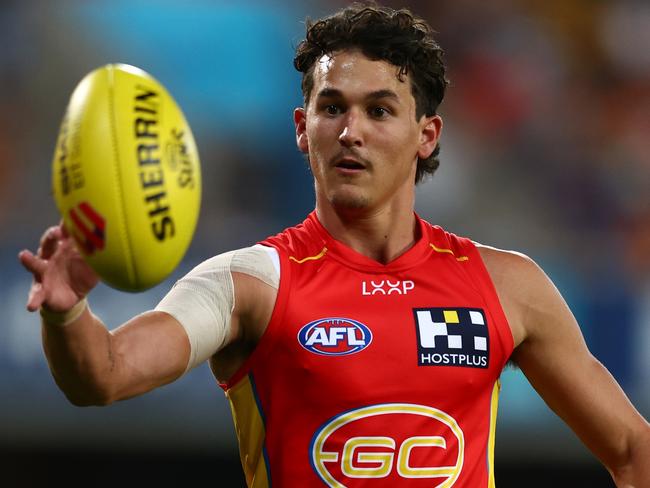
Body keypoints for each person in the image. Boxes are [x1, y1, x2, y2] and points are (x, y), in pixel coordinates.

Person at [18, 3, 649, 487]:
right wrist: (68, 309)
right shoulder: (249, 283)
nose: (351, 131)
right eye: (331, 107)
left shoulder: (509, 287)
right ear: (302, 128)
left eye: (379, 110)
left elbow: (630, 447)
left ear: (426, 135)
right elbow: (102, 376)